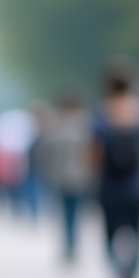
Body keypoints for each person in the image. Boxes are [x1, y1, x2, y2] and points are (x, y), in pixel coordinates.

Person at [91, 58, 139, 278]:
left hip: (110, 187)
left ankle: (119, 272)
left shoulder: (102, 113)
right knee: (135, 234)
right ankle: (129, 274)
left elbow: (94, 153)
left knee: (110, 236)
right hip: (137, 186)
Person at [37, 89, 93, 262]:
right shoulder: (85, 124)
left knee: (66, 213)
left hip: (62, 177)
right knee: (73, 213)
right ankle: (71, 245)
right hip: (78, 176)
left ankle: (69, 245)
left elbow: (46, 153)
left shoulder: (57, 125)